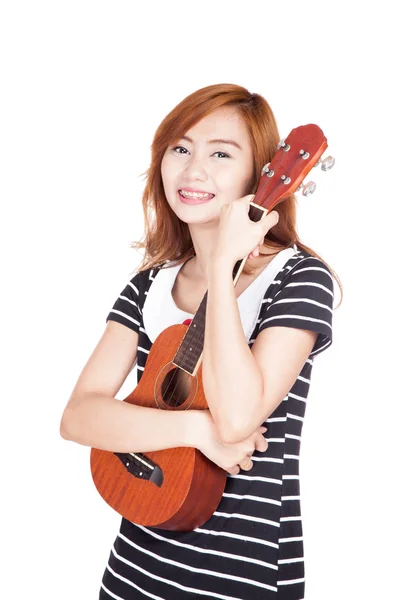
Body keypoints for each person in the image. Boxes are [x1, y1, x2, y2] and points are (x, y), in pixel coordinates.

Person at [60, 83, 341, 600]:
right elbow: (78, 417)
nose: (193, 170)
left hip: (242, 573)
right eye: (180, 148)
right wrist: (196, 430)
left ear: (262, 175)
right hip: (134, 567)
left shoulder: (298, 279)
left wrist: (219, 266)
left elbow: (238, 418)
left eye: (220, 153)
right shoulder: (148, 285)